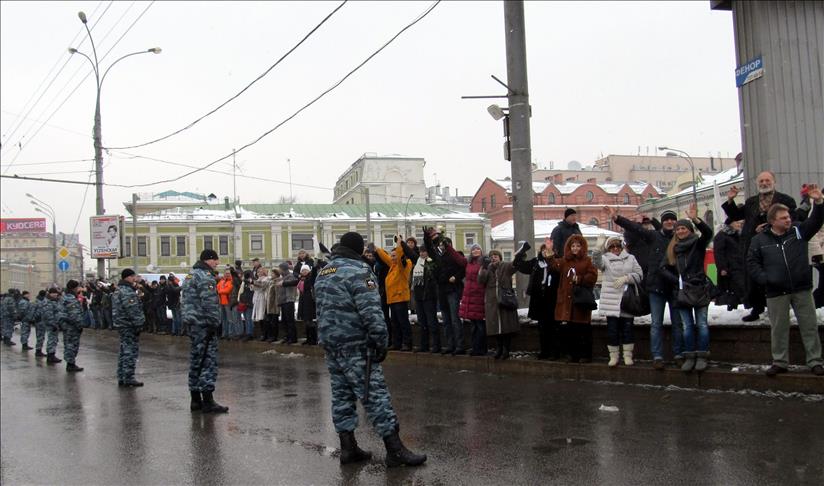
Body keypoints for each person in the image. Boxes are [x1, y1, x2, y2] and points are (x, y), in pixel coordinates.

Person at [314, 232, 426, 467]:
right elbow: (371, 311)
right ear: (357, 250)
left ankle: (348, 448)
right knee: (374, 395)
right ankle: (394, 449)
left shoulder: (324, 271)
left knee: (341, 395)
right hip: (356, 343)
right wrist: (380, 340)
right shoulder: (359, 271)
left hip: (332, 343)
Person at [747, 184, 824, 376]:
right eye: (783, 218)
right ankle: (780, 361)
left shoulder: (798, 231)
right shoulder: (759, 240)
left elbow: (816, 221)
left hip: (801, 288)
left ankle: (815, 360)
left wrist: (819, 202)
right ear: (772, 221)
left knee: (809, 326)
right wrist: (765, 279)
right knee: (779, 329)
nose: (788, 219)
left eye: (789, 216)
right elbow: (752, 262)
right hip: (775, 291)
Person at [608, 206, 684, 370]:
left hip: (675, 287)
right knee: (656, 323)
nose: (670, 222)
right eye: (666, 220)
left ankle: (679, 354)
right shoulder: (653, 236)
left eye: (672, 219)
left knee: (678, 323)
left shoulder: (680, 238)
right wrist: (617, 218)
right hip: (656, 287)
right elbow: (635, 228)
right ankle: (657, 356)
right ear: (662, 223)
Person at [723, 171, 798, 321]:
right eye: (761, 181)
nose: (764, 183)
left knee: (774, 276)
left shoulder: (785, 200)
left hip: (776, 244)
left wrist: (769, 228)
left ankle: (777, 308)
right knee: (754, 277)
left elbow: (792, 220)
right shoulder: (751, 201)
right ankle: (756, 308)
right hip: (753, 244)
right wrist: (730, 200)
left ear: (774, 182)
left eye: (767, 180)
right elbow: (736, 216)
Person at [661, 203, 714, 373]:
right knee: (687, 326)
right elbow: (662, 268)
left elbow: (708, 233)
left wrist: (696, 219)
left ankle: (702, 356)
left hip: (698, 288)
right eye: (678, 229)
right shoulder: (673, 249)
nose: (681, 231)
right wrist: (677, 280)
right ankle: (690, 355)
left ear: (690, 230)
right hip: (682, 292)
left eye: (684, 228)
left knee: (702, 324)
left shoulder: (697, 244)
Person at [182, 249, 229, 413]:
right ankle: (208, 400)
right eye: (215, 260)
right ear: (208, 260)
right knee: (208, 361)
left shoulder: (190, 276)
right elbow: (209, 303)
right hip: (204, 324)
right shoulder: (204, 276)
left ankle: (195, 400)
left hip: (193, 323)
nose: (217, 263)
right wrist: (214, 323)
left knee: (196, 359)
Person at [546, 234, 598, 363]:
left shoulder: (587, 261)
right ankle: (572, 354)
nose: (575, 248)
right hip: (567, 301)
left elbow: (592, 277)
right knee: (570, 329)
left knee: (583, 329)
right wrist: (549, 251)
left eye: (578, 246)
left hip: (580, 301)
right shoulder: (565, 261)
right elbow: (554, 266)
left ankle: (586, 355)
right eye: (573, 246)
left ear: (582, 247)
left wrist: (579, 279)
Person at [593, 237, 643, 367]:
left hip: (627, 300)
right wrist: (598, 248)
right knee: (612, 330)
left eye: (618, 246)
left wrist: (627, 278)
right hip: (611, 301)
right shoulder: (605, 259)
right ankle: (614, 356)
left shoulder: (630, 258)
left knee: (628, 329)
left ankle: (627, 355)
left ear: (621, 247)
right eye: (612, 246)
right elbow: (596, 262)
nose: (615, 249)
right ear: (608, 248)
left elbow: (639, 274)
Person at [515, 239, 562, 360]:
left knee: (554, 327)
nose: (545, 252)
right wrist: (522, 251)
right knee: (542, 328)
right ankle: (544, 351)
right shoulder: (536, 262)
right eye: (543, 249)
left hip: (553, 299)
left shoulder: (558, 262)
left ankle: (555, 352)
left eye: (548, 249)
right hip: (539, 300)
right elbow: (519, 265)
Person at [423, 226, 467, 355]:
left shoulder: (455, 255)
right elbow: (430, 248)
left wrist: (456, 277)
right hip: (441, 290)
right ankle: (450, 345)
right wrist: (427, 237)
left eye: (443, 245)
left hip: (452, 289)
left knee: (454, 319)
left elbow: (463, 269)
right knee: (446, 320)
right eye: (440, 245)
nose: (441, 247)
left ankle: (460, 345)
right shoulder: (437, 256)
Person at [374, 237, 414, 352]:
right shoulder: (393, 266)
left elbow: (400, 256)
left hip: (400, 298)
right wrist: (377, 249)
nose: (392, 257)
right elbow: (385, 257)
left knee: (403, 322)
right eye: (391, 255)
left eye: (394, 255)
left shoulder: (405, 265)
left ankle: (407, 343)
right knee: (395, 322)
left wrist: (399, 245)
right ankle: (397, 343)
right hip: (392, 299)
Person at [479, 248, 520, 359]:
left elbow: (515, 265)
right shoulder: (488, 269)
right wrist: (484, 268)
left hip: (505, 302)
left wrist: (520, 255)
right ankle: (499, 348)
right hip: (492, 303)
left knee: (506, 327)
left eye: (496, 256)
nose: (493, 258)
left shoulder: (505, 266)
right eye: (492, 257)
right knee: (496, 328)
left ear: (500, 257)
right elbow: (481, 280)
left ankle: (506, 350)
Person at [112, 269, 146, 387]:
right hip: (129, 325)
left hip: (122, 324)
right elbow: (132, 310)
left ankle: (122, 376)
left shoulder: (119, 290)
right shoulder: (127, 291)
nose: (135, 279)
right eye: (133, 277)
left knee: (124, 350)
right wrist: (139, 323)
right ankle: (128, 377)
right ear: (128, 277)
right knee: (129, 351)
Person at [409, 244, 439, 353]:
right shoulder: (417, 263)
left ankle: (436, 345)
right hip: (419, 296)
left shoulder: (432, 263)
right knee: (422, 322)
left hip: (429, 296)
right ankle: (424, 345)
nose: (422, 253)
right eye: (421, 251)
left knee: (431, 322)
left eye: (424, 251)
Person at [459, 244, 487, 356]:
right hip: (470, 297)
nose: (475, 251)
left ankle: (481, 349)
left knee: (480, 325)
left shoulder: (484, 262)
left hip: (479, 296)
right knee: (474, 325)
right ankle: (475, 347)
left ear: (481, 251)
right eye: (473, 249)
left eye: (477, 249)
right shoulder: (468, 263)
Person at [713, 218, 747, 310]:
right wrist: (722, 268)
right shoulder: (722, 236)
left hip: (739, 266)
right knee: (733, 289)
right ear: (730, 223)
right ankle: (732, 308)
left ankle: (738, 307)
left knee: (738, 288)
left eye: (741, 223)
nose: (739, 224)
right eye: (737, 222)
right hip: (729, 268)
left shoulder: (737, 235)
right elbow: (718, 253)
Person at [62, 279, 86, 372]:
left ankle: (70, 363)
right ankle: (71, 364)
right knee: (72, 345)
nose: (79, 289)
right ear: (74, 288)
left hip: (67, 326)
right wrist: (79, 326)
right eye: (78, 287)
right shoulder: (71, 299)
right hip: (72, 327)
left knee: (68, 344)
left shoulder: (64, 297)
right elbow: (74, 315)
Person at [276, 262, 299, 344]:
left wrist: (282, 283)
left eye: (279, 268)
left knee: (290, 320)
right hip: (283, 301)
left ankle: (293, 338)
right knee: (284, 320)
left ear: (283, 269)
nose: (279, 270)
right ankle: (287, 336)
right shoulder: (283, 277)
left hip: (289, 300)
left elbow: (293, 283)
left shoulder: (290, 276)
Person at [297, 264, 318, 345]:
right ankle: (308, 339)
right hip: (303, 301)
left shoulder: (310, 278)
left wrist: (314, 266)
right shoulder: (301, 279)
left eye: (305, 270)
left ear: (309, 271)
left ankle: (314, 339)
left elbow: (314, 274)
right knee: (306, 322)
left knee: (310, 322)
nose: (304, 271)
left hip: (309, 301)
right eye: (302, 270)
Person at [42, 287, 65, 364]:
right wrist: (53, 324)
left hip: (55, 323)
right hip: (51, 324)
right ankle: (50, 356)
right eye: (54, 293)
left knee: (54, 340)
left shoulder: (54, 301)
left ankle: (51, 354)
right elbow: (48, 315)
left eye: (56, 293)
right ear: (50, 293)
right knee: (52, 340)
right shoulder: (48, 302)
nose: (55, 294)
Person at [252, 267, 271, 341]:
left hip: (264, 299)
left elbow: (262, 286)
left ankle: (266, 334)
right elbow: (255, 288)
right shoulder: (258, 280)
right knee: (260, 319)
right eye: (257, 272)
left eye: (260, 271)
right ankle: (263, 334)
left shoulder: (267, 279)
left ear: (264, 272)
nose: (258, 273)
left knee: (265, 317)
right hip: (258, 299)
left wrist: (254, 284)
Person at [262, 268, 281, 342]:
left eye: (272, 273)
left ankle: (274, 336)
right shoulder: (270, 282)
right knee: (268, 321)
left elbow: (277, 295)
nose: (271, 275)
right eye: (271, 273)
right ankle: (269, 336)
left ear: (276, 274)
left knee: (274, 322)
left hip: (274, 305)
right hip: (268, 305)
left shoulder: (277, 281)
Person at [31, 290, 48, 357]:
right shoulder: (38, 301)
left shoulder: (38, 301)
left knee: (41, 336)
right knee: (40, 337)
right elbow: (33, 311)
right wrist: (33, 319)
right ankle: (38, 351)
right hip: (39, 321)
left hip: (42, 320)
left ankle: (39, 350)